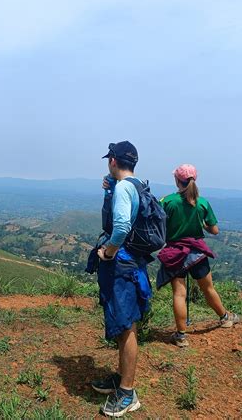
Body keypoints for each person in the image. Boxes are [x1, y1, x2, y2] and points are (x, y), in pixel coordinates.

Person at [91, 141, 153, 417]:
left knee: (126, 326)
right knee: (123, 323)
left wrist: (108, 252)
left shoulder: (125, 189)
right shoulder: (136, 184)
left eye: (109, 159)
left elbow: (120, 227)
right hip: (133, 263)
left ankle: (127, 394)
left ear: (113, 161)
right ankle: (120, 378)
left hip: (122, 264)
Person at [157, 164, 239, 348]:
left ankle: (180, 336)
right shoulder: (202, 203)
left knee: (179, 293)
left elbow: (159, 224)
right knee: (208, 288)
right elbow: (215, 230)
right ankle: (225, 318)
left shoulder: (167, 201)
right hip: (197, 252)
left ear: (177, 180)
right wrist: (201, 223)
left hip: (175, 252)